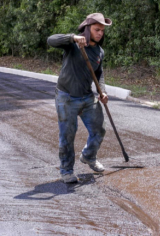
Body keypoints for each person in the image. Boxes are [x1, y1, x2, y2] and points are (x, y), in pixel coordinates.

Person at [47, 13, 112, 183]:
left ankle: (89, 156)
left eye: (102, 31)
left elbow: (99, 73)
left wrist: (102, 91)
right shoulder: (73, 45)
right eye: (97, 30)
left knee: (99, 129)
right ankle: (67, 170)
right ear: (87, 29)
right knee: (68, 135)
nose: (100, 33)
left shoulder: (99, 51)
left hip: (87, 97)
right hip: (66, 97)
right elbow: (51, 40)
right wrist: (72, 38)